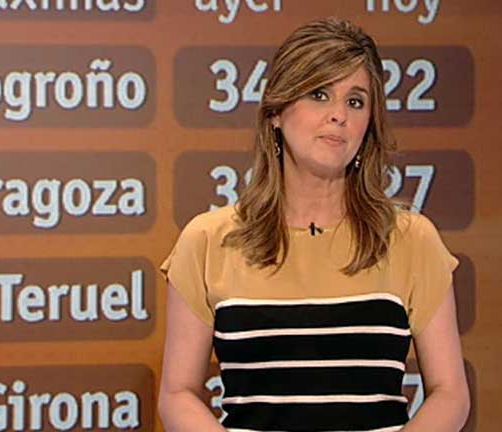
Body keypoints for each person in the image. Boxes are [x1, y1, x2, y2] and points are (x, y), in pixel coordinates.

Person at [158, 17, 470, 432]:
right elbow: (177, 393)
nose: (338, 115)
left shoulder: (411, 239)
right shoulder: (208, 241)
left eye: (355, 101)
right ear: (276, 112)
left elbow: (450, 393)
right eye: (319, 94)